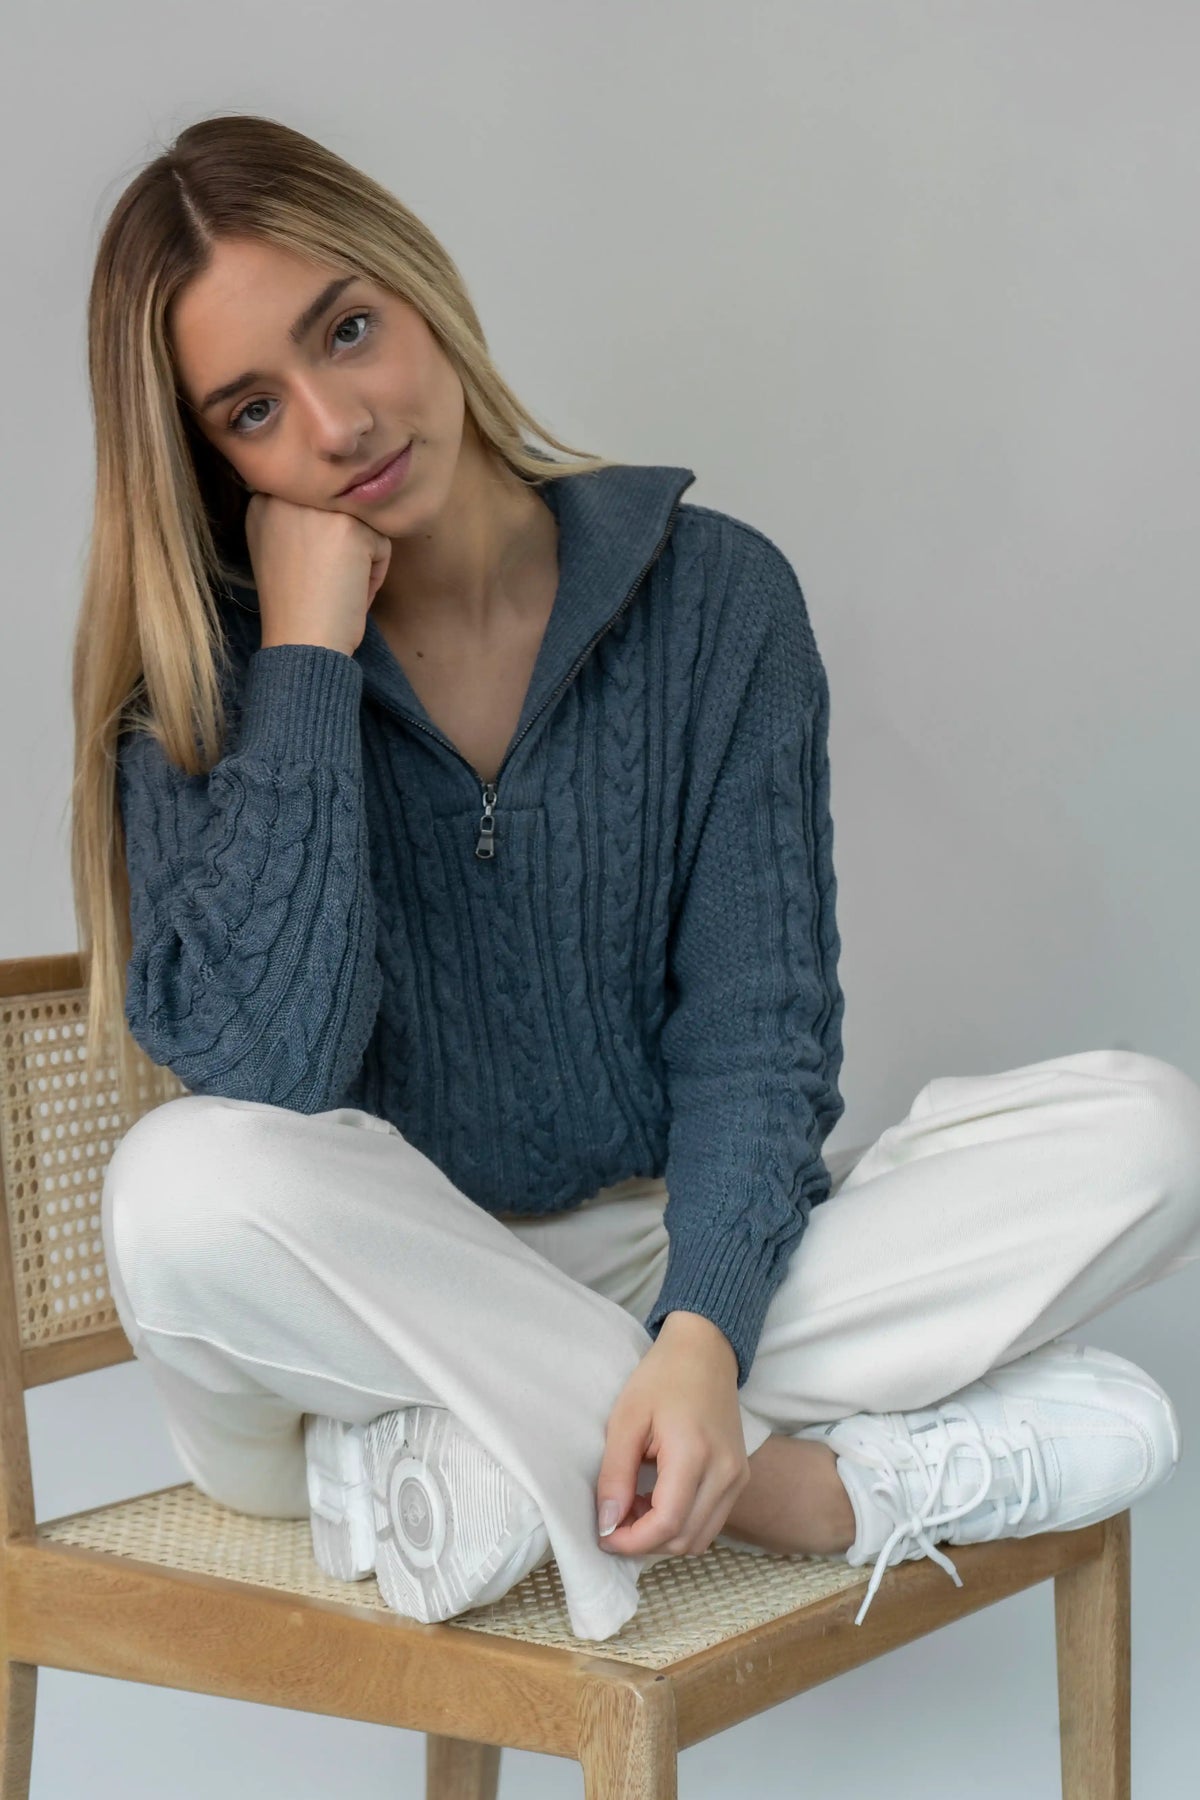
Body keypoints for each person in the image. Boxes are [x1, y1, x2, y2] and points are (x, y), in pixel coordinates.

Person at [71, 112, 1200, 1647]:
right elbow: (271, 1075)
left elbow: (755, 1037)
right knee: (179, 1190)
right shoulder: (210, 694)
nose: (337, 422)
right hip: (352, 1305)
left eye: (348, 330)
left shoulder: (716, 599)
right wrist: (309, 661)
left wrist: (704, 1334)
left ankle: (479, 1462)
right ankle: (824, 1491)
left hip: (646, 1251)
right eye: (254, 409)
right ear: (211, 460)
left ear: (420, 289)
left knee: (1148, 1134)